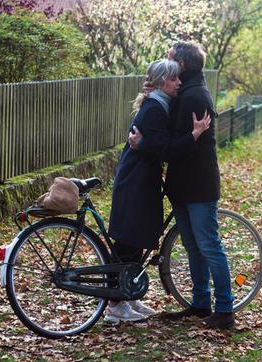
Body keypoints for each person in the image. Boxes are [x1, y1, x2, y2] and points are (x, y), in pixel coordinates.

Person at [130, 41, 235, 329]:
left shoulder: (194, 97)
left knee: (209, 246)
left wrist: (145, 143)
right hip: (184, 184)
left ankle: (224, 309)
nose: (168, 61)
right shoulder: (185, 92)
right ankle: (201, 304)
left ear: (183, 65)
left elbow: (174, 145)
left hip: (198, 186)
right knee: (193, 246)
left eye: (171, 58)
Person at [104, 59, 212, 324]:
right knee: (128, 241)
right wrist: (195, 134)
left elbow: (155, 144)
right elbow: (167, 149)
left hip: (142, 180)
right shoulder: (154, 107)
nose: (179, 83)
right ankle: (115, 305)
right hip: (135, 182)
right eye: (174, 79)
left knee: (137, 238)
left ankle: (128, 297)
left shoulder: (159, 103)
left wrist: (146, 144)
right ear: (163, 80)